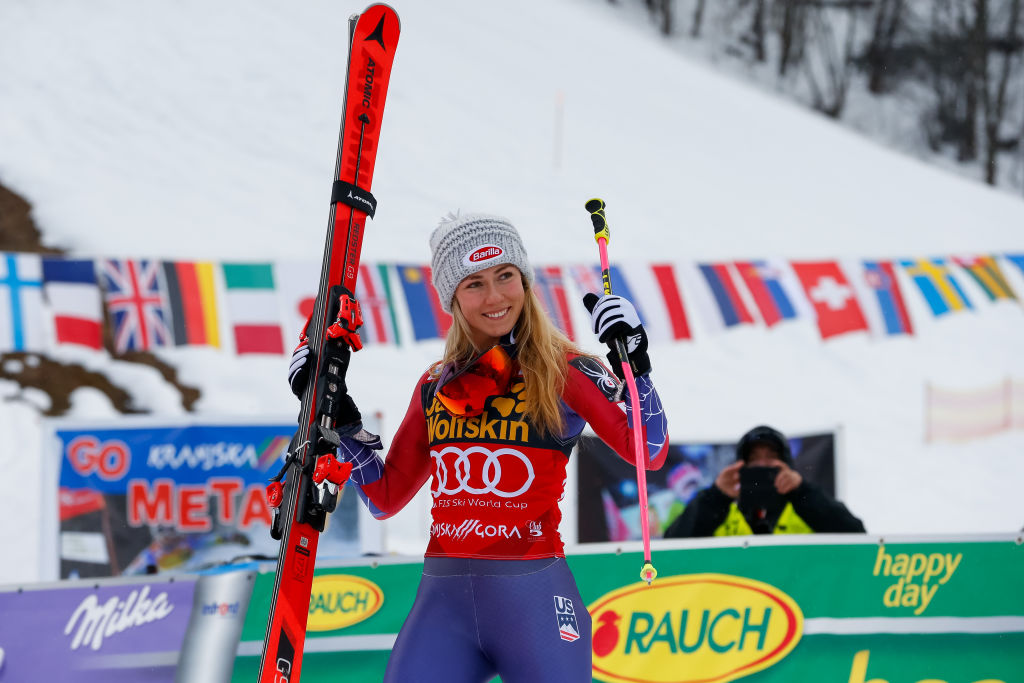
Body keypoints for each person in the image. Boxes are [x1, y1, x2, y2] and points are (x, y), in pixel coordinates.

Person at [289, 212, 668, 683]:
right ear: (452, 299)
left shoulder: (566, 370)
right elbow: (384, 498)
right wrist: (339, 416)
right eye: (474, 284)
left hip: (533, 600)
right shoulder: (436, 384)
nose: (495, 297)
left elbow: (648, 450)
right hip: (443, 602)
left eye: (505, 276)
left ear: (525, 281)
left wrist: (636, 362)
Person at [664, 425, 864, 538]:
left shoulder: (806, 506)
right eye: (754, 458)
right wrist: (716, 496)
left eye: (770, 456)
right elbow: (673, 545)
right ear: (741, 465)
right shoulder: (721, 510)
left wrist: (802, 491)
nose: (762, 464)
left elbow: (856, 535)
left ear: (785, 462)